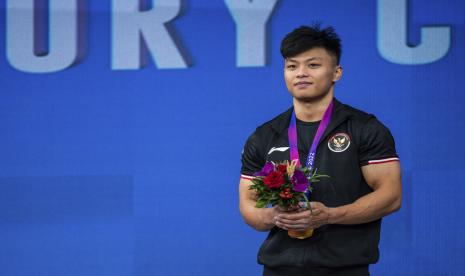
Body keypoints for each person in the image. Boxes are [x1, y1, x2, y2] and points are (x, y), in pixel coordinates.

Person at [239, 24, 402, 276]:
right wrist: (275, 217)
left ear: (336, 72)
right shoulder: (264, 135)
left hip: (345, 269)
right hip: (279, 269)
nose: (300, 73)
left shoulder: (365, 128)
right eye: (292, 66)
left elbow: (391, 196)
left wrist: (330, 215)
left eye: (313, 65)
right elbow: (248, 204)